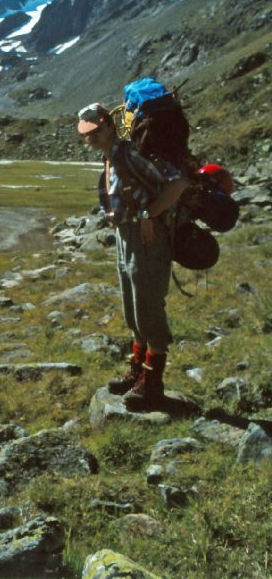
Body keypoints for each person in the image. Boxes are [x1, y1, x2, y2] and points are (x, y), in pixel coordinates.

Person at [77, 102, 191, 410]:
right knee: (133, 308)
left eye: (97, 131)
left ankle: (153, 382)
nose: (92, 137)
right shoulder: (111, 158)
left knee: (148, 308)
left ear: (110, 126)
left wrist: (148, 214)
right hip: (125, 237)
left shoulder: (128, 154)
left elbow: (179, 183)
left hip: (147, 239)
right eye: (88, 133)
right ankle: (138, 371)